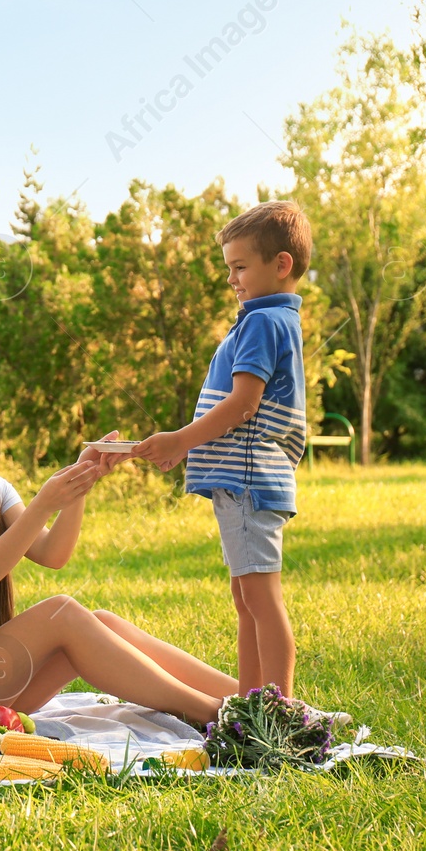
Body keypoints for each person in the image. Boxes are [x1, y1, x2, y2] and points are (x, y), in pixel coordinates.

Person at [0, 355, 236, 731]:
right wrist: (44, 503)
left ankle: (256, 701)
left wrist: (81, 481)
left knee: (102, 623)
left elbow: (52, 554)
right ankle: (219, 718)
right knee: (60, 613)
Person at [132, 201, 310, 698]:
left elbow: (243, 404)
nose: (232, 279)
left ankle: (278, 713)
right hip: (246, 481)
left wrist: (181, 441)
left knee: (260, 597)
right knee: (246, 596)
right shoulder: (272, 320)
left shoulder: (261, 322)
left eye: (240, 267)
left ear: (281, 265)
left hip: (248, 480)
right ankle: (252, 702)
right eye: (229, 268)